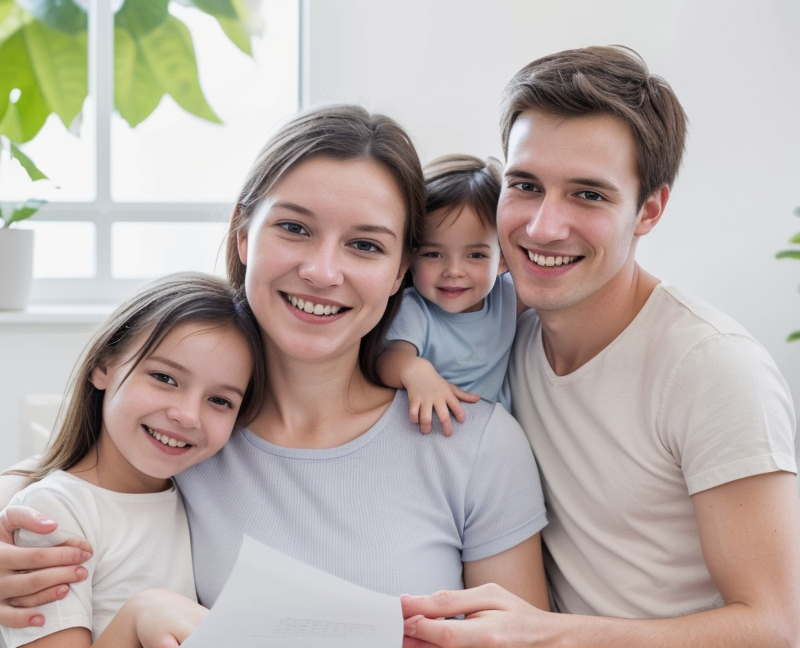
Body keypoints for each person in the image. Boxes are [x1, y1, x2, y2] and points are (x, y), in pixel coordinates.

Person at [0, 105, 549, 643]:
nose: (321, 271)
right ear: (244, 236)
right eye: (294, 227)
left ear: (398, 272)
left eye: (364, 245)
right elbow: (74, 486)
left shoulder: (476, 446)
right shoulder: (185, 436)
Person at [401, 45, 800, 647]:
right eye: (526, 185)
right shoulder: (505, 326)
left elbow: (775, 627)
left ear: (649, 210)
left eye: (588, 194)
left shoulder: (711, 366)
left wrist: (545, 634)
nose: (542, 227)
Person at [0, 271, 265, 647]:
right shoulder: (54, 511)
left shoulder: (197, 491)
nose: (188, 415)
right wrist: (144, 612)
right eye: (165, 378)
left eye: (220, 401)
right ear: (103, 366)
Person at [377, 154, 521, 435]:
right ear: (410, 259)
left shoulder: (508, 296)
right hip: (435, 433)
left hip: (492, 437)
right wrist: (415, 371)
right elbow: (388, 359)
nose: (454, 271)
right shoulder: (416, 309)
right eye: (433, 254)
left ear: (502, 260)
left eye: (476, 255)